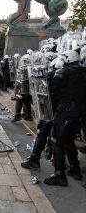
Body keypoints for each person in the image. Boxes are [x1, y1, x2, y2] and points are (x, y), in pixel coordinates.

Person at [44, 50, 86, 186]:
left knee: (57, 140)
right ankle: (75, 169)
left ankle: (59, 174)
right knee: (68, 140)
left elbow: (52, 88)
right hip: (78, 113)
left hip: (65, 111)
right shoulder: (82, 71)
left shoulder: (64, 72)